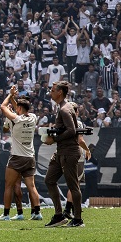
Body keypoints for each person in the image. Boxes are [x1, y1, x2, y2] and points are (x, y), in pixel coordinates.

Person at [43, 81, 85, 228]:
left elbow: (72, 131)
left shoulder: (64, 109)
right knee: (49, 180)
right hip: (61, 151)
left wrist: (54, 138)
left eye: (53, 90)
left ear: (60, 92)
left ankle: (78, 219)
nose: (50, 92)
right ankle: (59, 215)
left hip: (69, 151)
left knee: (73, 185)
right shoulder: (63, 108)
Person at [0, 87, 43, 221]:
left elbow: (2, 106)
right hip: (30, 157)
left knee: (9, 186)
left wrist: (10, 94)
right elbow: (21, 109)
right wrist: (14, 99)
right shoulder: (33, 117)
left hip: (17, 157)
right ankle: (37, 213)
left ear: (19, 109)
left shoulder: (16, 119)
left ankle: (6, 214)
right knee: (31, 186)